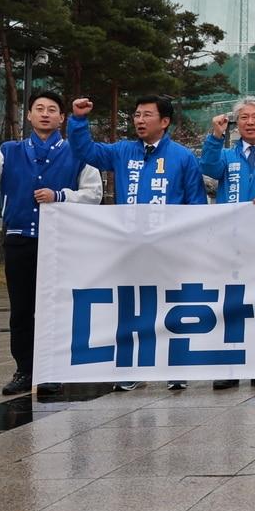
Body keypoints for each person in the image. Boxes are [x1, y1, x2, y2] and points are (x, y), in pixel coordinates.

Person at [0, 92, 104, 396]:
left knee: (57, 307)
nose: (45, 114)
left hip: (61, 243)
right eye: (39, 109)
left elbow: (94, 194)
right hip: (19, 241)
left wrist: (61, 196)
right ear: (28, 115)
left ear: (62, 118)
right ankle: (25, 369)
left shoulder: (77, 153)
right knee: (22, 309)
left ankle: (53, 370)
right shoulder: (11, 151)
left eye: (52, 110)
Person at [69, 95, 206, 390]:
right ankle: (131, 370)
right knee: (132, 308)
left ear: (164, 121)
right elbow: (85, 150)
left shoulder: (183, 158)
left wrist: (192, 245)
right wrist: (79, 121)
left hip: (171, 249)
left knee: (174, 306)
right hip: (130, 246)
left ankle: (176, 369)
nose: (139, 120)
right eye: (136, 115)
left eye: (146, 115)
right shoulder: (122, 152)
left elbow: (197, 205)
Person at [200, 97, 255, 391]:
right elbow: (208, 168)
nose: (250, 122)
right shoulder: (226, 155)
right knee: (232, 302)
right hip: (230, 242)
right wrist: (215, 136)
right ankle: (229, 365)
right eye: (244, 117)